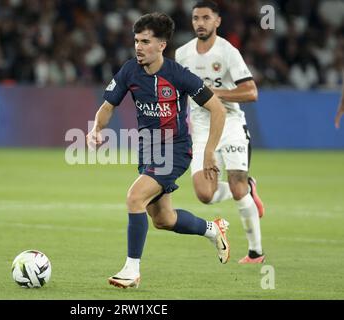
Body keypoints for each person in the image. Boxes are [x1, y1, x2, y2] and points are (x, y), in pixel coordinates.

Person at [86, 12, 230, 289]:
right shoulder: (130, 70)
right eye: (136, 41)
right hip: (148, 150)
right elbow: (108, 106)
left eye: (145, 41)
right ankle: (213, 230)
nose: (138, 47)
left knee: (134, 197)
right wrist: (96, 130)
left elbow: (217, 109)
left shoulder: (178, 75)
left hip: (174, 150)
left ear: (162, 45)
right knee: (163, 219)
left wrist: (209, 152)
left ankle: (131, 270)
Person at [175, 0, 265, 264]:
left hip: (231, 125)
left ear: (217, 21)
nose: (200, 23)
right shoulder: (182, 54)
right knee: (204, 195)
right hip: (202, 129)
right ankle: (249, 186)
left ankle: (255, 253)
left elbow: (251, 92)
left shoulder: (228, 52)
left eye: (206, 18)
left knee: (237, 189)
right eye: (195, 18)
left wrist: (215, 94)